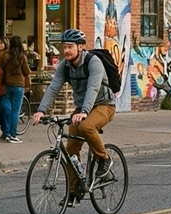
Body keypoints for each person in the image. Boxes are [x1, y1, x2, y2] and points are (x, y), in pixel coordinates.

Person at [31, 28, 116, 201]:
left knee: (86, 126)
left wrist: (84, 112)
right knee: (70, 151)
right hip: (82, 108)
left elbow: (93, 88)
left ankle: (104, 159)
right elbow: (54, 87)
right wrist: (41, 110)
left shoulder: (94, 62)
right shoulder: (65, 65)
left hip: (104, 105)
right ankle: (73, 191)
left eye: (70, 46)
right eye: (64, 47)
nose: (66, 50)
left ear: (80, 47)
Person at [0, 36, 31, 143]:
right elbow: (27, 72)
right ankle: (12, 134)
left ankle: (6, 132)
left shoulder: (5, 56)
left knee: (6, 105)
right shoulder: (22, 57)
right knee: (15, 111)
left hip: (7, 85)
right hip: (19, 85)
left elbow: (0, 67)